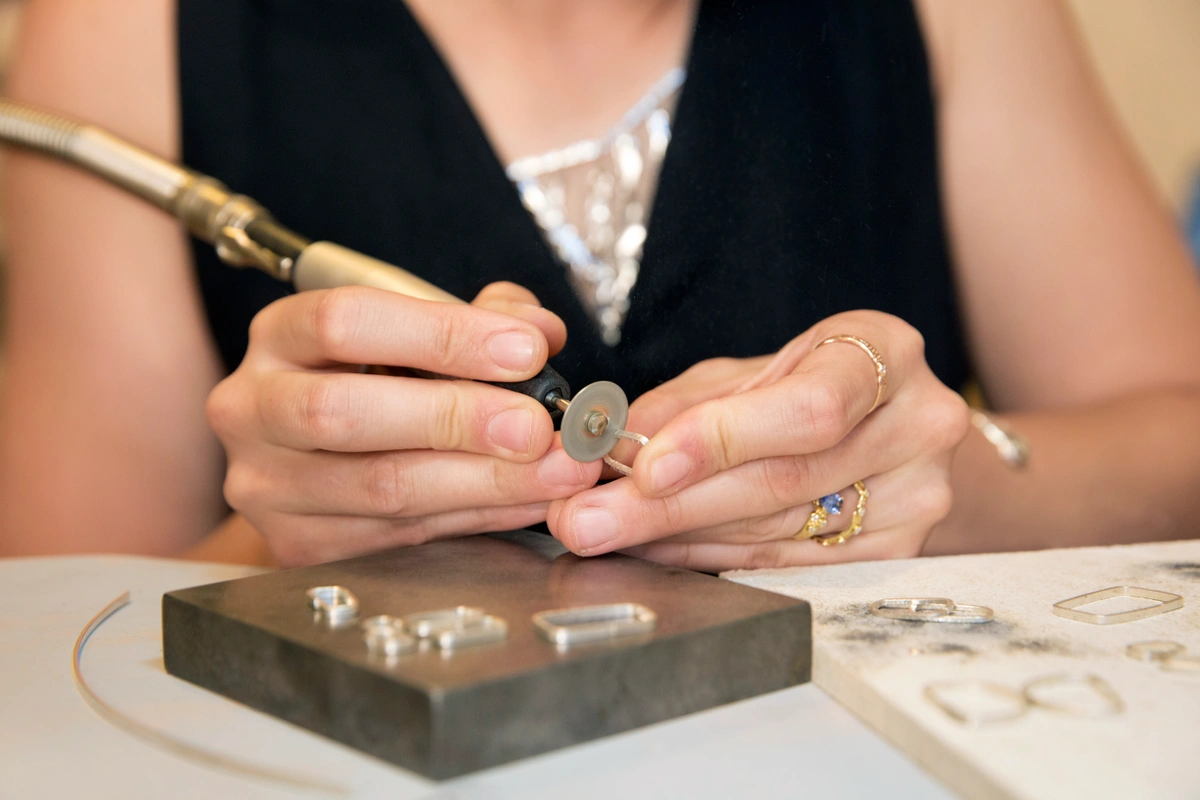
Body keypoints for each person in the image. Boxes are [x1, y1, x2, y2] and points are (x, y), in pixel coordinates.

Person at [2, 0, 1199, 571]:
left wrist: (928, 485)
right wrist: (283, 540)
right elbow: (47, 647)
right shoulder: (121, 33)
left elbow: (1176, 438)